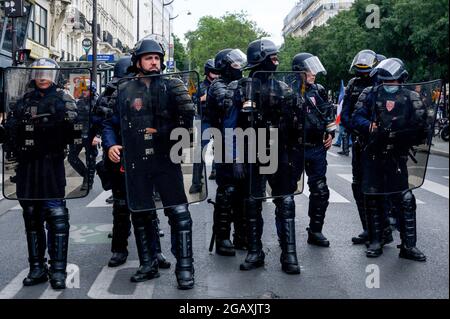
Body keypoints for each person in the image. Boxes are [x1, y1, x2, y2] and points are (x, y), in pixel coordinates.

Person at [103, 38, 196, 289]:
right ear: (138, 62)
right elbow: (109, 123)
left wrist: (163, 131)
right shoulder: (124, 89)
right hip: (136, 163)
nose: (154, 62)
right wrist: (111, 144)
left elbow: (186, 124)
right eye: (149, 58)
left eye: (157, 58)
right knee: (141, 212)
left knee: (179, 214)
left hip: (166, 161)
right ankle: (148, 264)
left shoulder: (172, 87)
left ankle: (185, 268)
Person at [1, 58, 80, 289]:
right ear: (33, 75)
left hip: (51, 165)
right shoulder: (23, 101)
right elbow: (11, 131)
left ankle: (57, 269)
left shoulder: (65, 99)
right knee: (31, 215)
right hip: (27, 166)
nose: (43, 76)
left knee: (56, 215)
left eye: (47, 72)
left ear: (55, 75)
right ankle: (37, 267)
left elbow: (76, 131)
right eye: (39, 72)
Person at [234, 39, 303, 274]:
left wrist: (295, 161)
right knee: (253, 203)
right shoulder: (243, 88)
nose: (276, 60)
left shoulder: (284, 88)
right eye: (272, 56)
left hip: (278, 149)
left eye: (276, 56)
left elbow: (296, 127)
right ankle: (255, 252)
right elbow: (233, 126)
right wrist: (237, 158)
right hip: (252, 149)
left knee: (285, 201)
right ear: (260, 59)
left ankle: (289, 254)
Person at [352, 58, 428, 261]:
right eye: (386, 82)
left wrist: (410, 131)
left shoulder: (411, 97)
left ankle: (408, 246)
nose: (390, 86)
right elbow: (356, 118)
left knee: (404, 199)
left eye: (393, 82)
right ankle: (376, 241)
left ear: (401, 80)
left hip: (397, 156)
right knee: (373, 197)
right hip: (374, 153)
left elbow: (422, 128)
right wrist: (371, 126)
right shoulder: (370, 94)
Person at [206, 48, 249, 256]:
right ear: (224, 66)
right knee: (227, 192)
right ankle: (223, 237)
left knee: (244, 192)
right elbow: (228, 103)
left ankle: (241, 236)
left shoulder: (239, 84)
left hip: (246, 142)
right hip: (225, 144)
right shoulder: (217, 86)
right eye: (235, 65)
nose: (239, 68)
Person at [292, 52, 336, 247]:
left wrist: (331, 133)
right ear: (299, 72)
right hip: (294, 147)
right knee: (286, 192)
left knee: (320, 191)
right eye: (309, 70)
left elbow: (327, 113)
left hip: (317, 147)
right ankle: (286, 234)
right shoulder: (288, 91)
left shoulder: (319, 90)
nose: (313, 73)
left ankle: (316, 230)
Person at [189, 59, 219, 194]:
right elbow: (192, 100)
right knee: (201, 149)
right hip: (205, 120)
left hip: (218, 119)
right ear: (207, 72)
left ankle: (215, 170)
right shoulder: (200, 86)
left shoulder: (221, 84)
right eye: (213, 72)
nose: (216, 74)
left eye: (217, 72)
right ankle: (196, 182)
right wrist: (203, 97)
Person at [68, 79, 100, 191]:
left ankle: (88, 182)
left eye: (86, 90)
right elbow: (74, 119)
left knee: (90, 159)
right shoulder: (78, 102)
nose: (84, 92)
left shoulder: (97, 102)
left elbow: (101, 121)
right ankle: (86, 174)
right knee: (71, 157)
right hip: (78, 134)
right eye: (83, 90)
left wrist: (98, 136)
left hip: (91, 135)